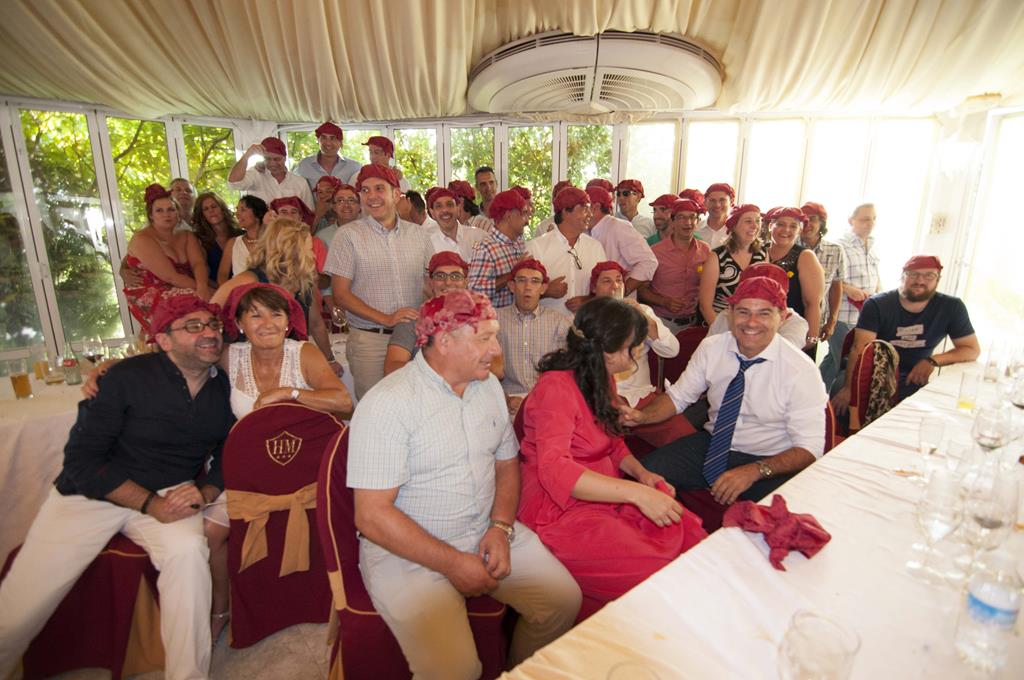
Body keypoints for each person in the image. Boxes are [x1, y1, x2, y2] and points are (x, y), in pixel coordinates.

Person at [348, 289, 582, 679]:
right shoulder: (388, 403)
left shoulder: (487, 386)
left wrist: (501, 527)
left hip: (485, 531)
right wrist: (454, 563)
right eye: (485, 338)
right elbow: (371, 516)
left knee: (562, 601)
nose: (496, 350)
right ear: (444, 341)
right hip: (406, 552)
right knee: (457, 671)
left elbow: (507, 464)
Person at [0, 295, 234, 680]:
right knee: (21, 605)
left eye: (212, 325)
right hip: (92, 495)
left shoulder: (222, 386)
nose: (208, 333)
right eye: (193, 326)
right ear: (163, 340)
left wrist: (207, 491)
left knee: (189, 554)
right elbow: (82, 461)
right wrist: (149, 504)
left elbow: (229, 450)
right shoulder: (125, 378)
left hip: (170, 491)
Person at [518, 296, 705, 614]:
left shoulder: (599, 376)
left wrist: (642, 475)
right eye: (634, 346)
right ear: (608, 351)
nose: (638, 352)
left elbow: (613, 442)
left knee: (687, 534)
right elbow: (554, 470)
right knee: (656, 570)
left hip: (604, 490)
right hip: (559, 507)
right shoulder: (556, 388)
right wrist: (635, 494)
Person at [203, 283, 352, 638]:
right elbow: (181, 357)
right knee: (211, 531)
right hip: (252, 478)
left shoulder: (303, 353)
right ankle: (222, 608)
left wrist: (291, 393)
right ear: (239, 323)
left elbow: (343, 402)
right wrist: (112, 367)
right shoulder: (229, 356)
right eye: (255, 315)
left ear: (288, 322)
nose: (267, 323)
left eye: (276, 314)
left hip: (304, 476)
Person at [628, 277, 828, 506]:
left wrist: (755, 470)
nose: (751, 322)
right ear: (730, 314)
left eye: (764, 313)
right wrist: (641, 416)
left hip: (771, 457)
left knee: (775, 518)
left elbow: (810, 448)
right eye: (743, 312)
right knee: (642, 478)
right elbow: (678, 398)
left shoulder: (800, 369)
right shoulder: (712, 348)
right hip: (714, 443)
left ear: (782, 317)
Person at [326, 164, 432, 398]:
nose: (371, 196)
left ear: (396, 194)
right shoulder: (348, 236)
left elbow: (428, 286)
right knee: (375, 406)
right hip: (371, 341)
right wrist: (386, 318)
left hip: (415, 338)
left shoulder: (419, 235)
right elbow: (340, 294)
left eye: (379, 188)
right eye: (365, 190)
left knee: (418, 403)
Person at [832, 255, 980, 409]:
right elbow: (859, 349)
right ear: (902, 276)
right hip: (870, 372)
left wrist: (932, 361)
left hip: (912, 377)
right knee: (841, 401)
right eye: (913, 274)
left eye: (929, 275)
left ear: (938, 279)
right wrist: (849, 388)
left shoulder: (952, 308)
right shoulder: (877, 304)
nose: (920, 281)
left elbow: (971, 349)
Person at [213, 217, 338, 374]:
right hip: (252, 366)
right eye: (308, 250)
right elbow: (210, 312)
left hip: (290, 365)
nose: (313, 256)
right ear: (291, 252)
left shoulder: (303, 282)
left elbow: (316, 324)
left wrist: (330, 359)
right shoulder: (249, 280)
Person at [123, 184, 211, 333]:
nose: (166, 214)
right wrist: (210, 292)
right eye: (159, 210)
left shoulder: (187, 236)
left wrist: (203, 288)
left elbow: (198, 264)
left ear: (178, 213)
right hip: (150, 292)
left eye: (171, 209)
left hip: (184, 288)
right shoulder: (142, 238)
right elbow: (171, 277)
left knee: (216, 300)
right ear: (151, 215)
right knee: (196, 306)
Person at [494, 258, 571, 415]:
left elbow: (571, 369)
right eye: (521, 280)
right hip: (506, 403)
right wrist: (505, 399)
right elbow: (485, 370)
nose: (528, 287)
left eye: (535, 281)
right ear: (511, 286)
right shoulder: (495, 321)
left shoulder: (559, 322)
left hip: (548, 402)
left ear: (543, 288)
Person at [383, 251, 470, 376]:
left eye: (456, 276)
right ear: (431, 283)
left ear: (466, 283)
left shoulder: (477, 319)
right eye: (440, 276)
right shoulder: (413, 319)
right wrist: (441, 372)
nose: (448, 282)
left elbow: (495, 366)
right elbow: (391, 367)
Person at [526, 187, 606, 317]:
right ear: (565, 211)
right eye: (584, 209)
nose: (590, 214)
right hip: (547, 327)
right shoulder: (536, 248)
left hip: (586, 326)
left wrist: (588, 300)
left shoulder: (595, 247)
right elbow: (520, 294)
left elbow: (606, 289)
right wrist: (545, 291)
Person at [830, 203, 882, 392]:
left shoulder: (873, 247)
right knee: (845, 362)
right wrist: (848, 289)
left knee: (833, 361)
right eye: (865, 219)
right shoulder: (840, 246)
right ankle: (837, 400)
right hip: (843, 314)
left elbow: (876, 277)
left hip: (863, 316)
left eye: (873, 219)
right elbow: (827, 278)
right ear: (851, 221)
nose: (870, 223)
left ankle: (818, 395)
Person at [641, 198, 711, 333]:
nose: (688, 222)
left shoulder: (706, 251)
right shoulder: (655, 252)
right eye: (681, 217)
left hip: (693, 323)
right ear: (672, 221)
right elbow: (642, 289)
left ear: (697, 221)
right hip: (662, 323)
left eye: (692, 217)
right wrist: (663, 301)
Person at [765, 207, 825, 356]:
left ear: (800, 230)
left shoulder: (805, 256)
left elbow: (813, 303)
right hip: (761, 332)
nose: (786, 230)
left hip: (795, 334)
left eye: (793, 226)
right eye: (780, 224)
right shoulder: (758, 251)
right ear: (770, 226)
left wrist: (810, 340)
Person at [707, 262, 810, 348]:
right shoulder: (725, 317)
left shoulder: (795, 324)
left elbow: (781, 356)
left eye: (764, 312)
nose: (752, 323)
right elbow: (709, 352)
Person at [800, 202, 847, 383]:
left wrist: (832, 321)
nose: (807, 224)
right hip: (789, 317)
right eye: (803, 220)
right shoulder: (790, 246)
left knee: (807, 367)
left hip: (816, 319)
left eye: (812, 219)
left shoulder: (835, 250)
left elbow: (836, 286)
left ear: (821, 223)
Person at [698, 203, 767, 325]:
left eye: (757, 221)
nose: (755, 226)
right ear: (734, 226)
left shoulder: (762, 254)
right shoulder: (716, 257)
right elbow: (705, 306)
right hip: (720, 324)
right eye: (748, 221)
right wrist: (722, 332)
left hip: (751, 324)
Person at [585, 186, 658, 295]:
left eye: (583, 207)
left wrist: (621, 292)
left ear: (595, 207)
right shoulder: (585, 231)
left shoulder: (618, 227)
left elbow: (649, 262)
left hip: (616, 303)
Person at [467, 189, 529, 309]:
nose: (527, 221)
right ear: (509, 216)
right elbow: (475, 294)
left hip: (519, 319)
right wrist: (513, 272)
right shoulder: (484, 248)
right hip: (496, 320)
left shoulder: (520, 243)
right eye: (524, 213)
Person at [227, 136, 314, 208]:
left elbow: (309, 212)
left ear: (284, 158)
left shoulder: (300, 182)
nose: (272, 163)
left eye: (277, 159)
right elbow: (234, 183)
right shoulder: (256, 174)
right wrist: (247, 155)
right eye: (267, 159)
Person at [192, 191, 243, 287]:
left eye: (214, 206)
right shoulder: (199, 240)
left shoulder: (241, 235)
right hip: (214, 288)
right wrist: (220, 290)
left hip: (243, 285)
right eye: (206, 209)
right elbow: (201, 274)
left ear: (222, 208)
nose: (211, 211)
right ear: (202, 215)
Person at [294, 121, 362, 191]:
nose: (328, 143)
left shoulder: (355, 167)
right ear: (318, 141)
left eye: (332, 138)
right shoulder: (304, 165)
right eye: (323, 138)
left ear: (341, 143)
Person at [425, 187, 488, 261]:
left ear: (458, 208)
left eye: (449, 205)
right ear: (432, 213)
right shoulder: (428, 244)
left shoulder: (479, 237)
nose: (445, 210)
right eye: (439, 206)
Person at [218, 195, 269, 286]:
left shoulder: (272, 241)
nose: (237, 214)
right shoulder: (233, 243)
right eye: (237, 210)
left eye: (243, 210)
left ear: (257, 214)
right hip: (239, 291)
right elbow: (222, 275)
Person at [696, 183, 734, 250]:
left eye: (722, 200)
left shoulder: (736, 231)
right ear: (705, 202)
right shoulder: (696, 229)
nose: (717, 205)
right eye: (712, 200)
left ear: (731, 201)